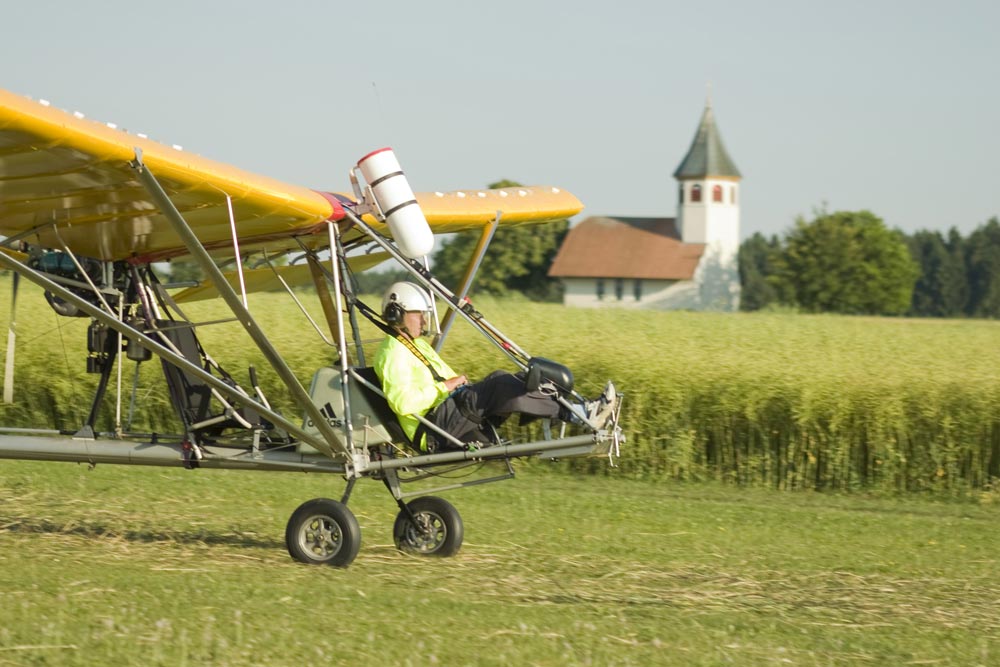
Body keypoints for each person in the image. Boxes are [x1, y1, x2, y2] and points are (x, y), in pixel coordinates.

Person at [372, 282, 616, 452]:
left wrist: (456, 386)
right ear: (396, 314)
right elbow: (403, 403)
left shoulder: (415, 345)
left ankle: (577, 410)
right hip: (433, 428)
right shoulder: (392, 353)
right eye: (418, 314)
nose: (424, 320)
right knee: (499, 386)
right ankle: (580, 414)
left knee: (507, 379)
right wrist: (446, 386)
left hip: (446, 414)